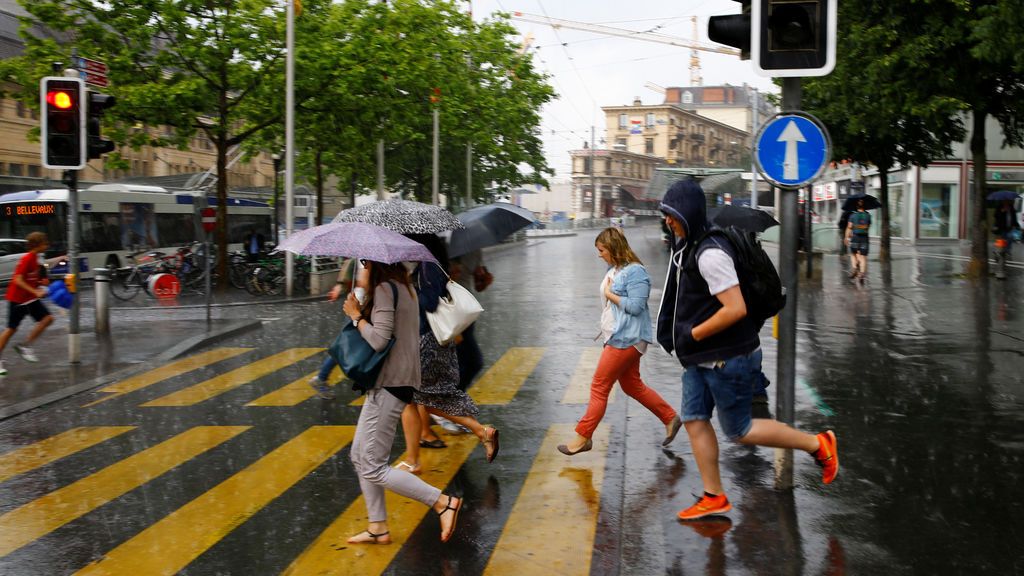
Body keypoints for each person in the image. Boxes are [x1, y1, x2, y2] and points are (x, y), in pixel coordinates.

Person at [657, 179, 838, 521]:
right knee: (695, 421)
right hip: (701, 360)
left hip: (727, 358)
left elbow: (735, 308)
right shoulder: (690, 247)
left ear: (688, 213)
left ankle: (819, 444)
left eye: (671, 214)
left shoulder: (709, 253)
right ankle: (714, 497)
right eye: (665, 214)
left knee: (740, 430)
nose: (668, 221)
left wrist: (692, 333)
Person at [340, 258, 462, 544]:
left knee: (371, 464)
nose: (362, 269)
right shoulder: (402, 286)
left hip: (390, 381)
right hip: (398, 379)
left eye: (364, 264)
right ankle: (378, 526)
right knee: (359, 455)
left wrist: (356, 317)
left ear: (375, 263)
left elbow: (380, 340)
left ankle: (442, 502)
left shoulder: (385, 289)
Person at [557, 227, 681, 456]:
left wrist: (611, 294)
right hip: (620, 337)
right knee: (632, 385)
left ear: (613, 249)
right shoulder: (618, 268)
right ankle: (670, 417)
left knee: (599, 386)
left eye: (602, 249)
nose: (599, 254)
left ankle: (583, 437)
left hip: (627, 338)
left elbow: (635, 307)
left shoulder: (637, 272)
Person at [409, 233, 500, 466]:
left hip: (426, 339)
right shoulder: (433, 265)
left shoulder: (428, 267)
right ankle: (477, 431)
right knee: (419, 397)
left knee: (418, 396)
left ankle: (418, 453)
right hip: (432, 337)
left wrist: (407, 291)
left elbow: (429, 302)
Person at [307, 258, 367, 399]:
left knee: (349, 345)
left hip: (362, 307)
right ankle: (321, 377)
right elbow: (356, 278)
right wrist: (342, 286)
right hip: (360, 307)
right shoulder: (362, 257)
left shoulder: (363, 256)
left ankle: (322, 377)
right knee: (345, 346)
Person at [0, 232, 54, 376]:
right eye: (45, 243)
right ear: (38, 244)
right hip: (18, 299)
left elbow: (30, 279)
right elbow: (17, 279)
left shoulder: (36, 259)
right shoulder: (27, 258)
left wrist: (40, 284)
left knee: (48, 319)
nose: (47, 245)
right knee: (11, 329)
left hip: (29, 299)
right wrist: (35, 292)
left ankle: (25, 346)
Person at [449, 249, 487, 392]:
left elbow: (479, 285)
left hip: (466, 311)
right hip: (447, 312)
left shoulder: (474, 248)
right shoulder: (438, 245)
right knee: (471, 361)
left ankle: (453, 397)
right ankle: (450, 399)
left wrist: (483, 278)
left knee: (470, 362)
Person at [845, 199, 871, 282]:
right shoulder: (868, 215)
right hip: (864, 238)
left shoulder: (852, 215)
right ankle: (862, 274)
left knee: (853, 254)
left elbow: (849, 227)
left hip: (855, 237)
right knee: (863, 256)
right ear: (864, 206)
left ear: (857, 206)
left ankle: (855, 269)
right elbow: (868, 226)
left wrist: (846, 237)